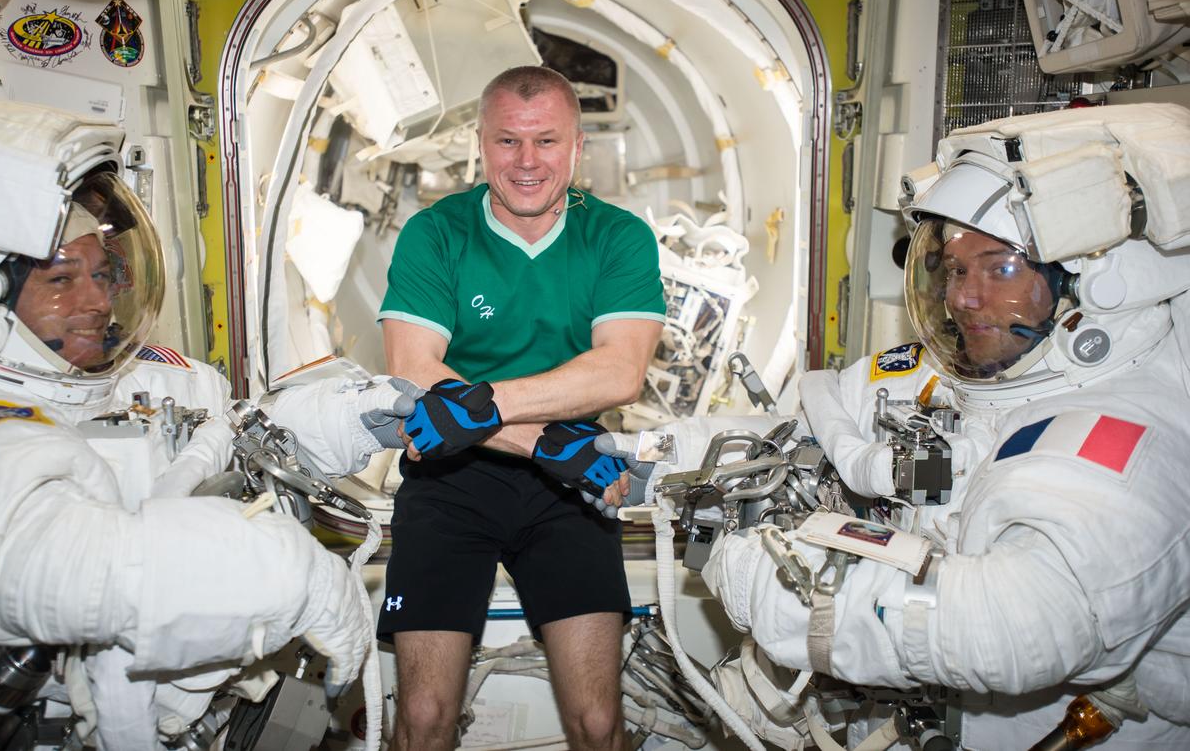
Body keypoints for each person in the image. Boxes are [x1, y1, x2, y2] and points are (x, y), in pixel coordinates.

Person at [608, 103, 1190, 749]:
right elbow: (806, 435)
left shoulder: (1125, 438)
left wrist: (762, 581)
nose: (962, 297)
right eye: (954, 267)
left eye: (997, 268)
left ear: (1095, 283)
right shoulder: (956, 369)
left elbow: (1011, 625)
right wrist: (654, 456)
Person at [0, 94, 416, 748]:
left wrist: (357, 418)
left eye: (103, 272)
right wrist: (296, 576)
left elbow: (233, 442)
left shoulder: (139, 376)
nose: (97, 300)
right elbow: (50, 560)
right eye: (62, 280)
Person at [376, 65, 666, 750]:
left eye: (546, 141)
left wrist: (484, 407)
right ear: (481, 145)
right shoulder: (436, 232)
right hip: (452, 480)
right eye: (508, 142)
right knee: (421, 719)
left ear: (576, 147)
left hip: (569, 488)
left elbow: (618, 370)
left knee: (597, 723)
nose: (527, 162)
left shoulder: (618, 236)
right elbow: (414, 368)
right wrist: (542, 442)